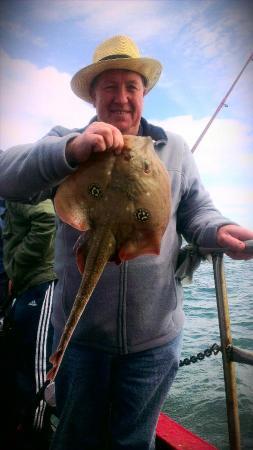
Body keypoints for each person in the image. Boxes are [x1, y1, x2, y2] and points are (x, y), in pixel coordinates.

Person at [0, 35, 252, 450]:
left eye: (130, 86)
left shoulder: (173, 149)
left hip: (154, 340)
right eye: (109, 87)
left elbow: (196, 212)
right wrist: (72, 150)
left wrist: (218, 231)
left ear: (144, 92)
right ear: (93, 96)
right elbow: (9, 176)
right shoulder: (67, 141)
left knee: (133, 442)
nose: (121, 98)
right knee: (76, 438)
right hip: (81, 340)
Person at [1, 199, 57, 450]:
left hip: (40, 285)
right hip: (25, 287)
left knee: (38, 372)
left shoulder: (22, 187)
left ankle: (36, 436)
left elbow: (47, 219)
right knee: (17, 361)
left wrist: (16, 267)